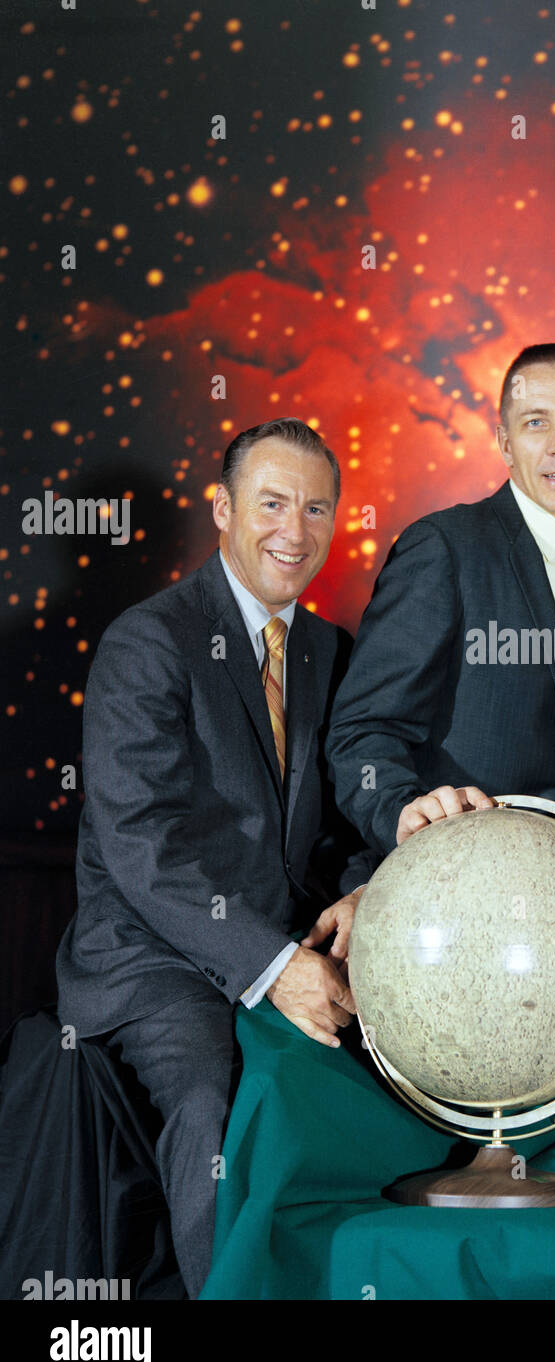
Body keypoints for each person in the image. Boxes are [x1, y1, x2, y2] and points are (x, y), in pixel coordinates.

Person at [55, 418, 374, 1298]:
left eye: (316, 508)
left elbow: (349, 818)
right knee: (219, 1105)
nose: (294, 530)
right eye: (272, 503)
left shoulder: (329, 652)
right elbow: (140, 845)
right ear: (223, 510)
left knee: (393, 1089)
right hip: (153, 957)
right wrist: (274, 969)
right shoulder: (148, 642)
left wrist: (357, 895)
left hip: (289, 942)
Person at [325, 342, 555, 858]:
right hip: (455, 873)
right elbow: (364, 728)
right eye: (536, 422)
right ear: (505, 442)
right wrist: (402, 815)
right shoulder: (445, 548)